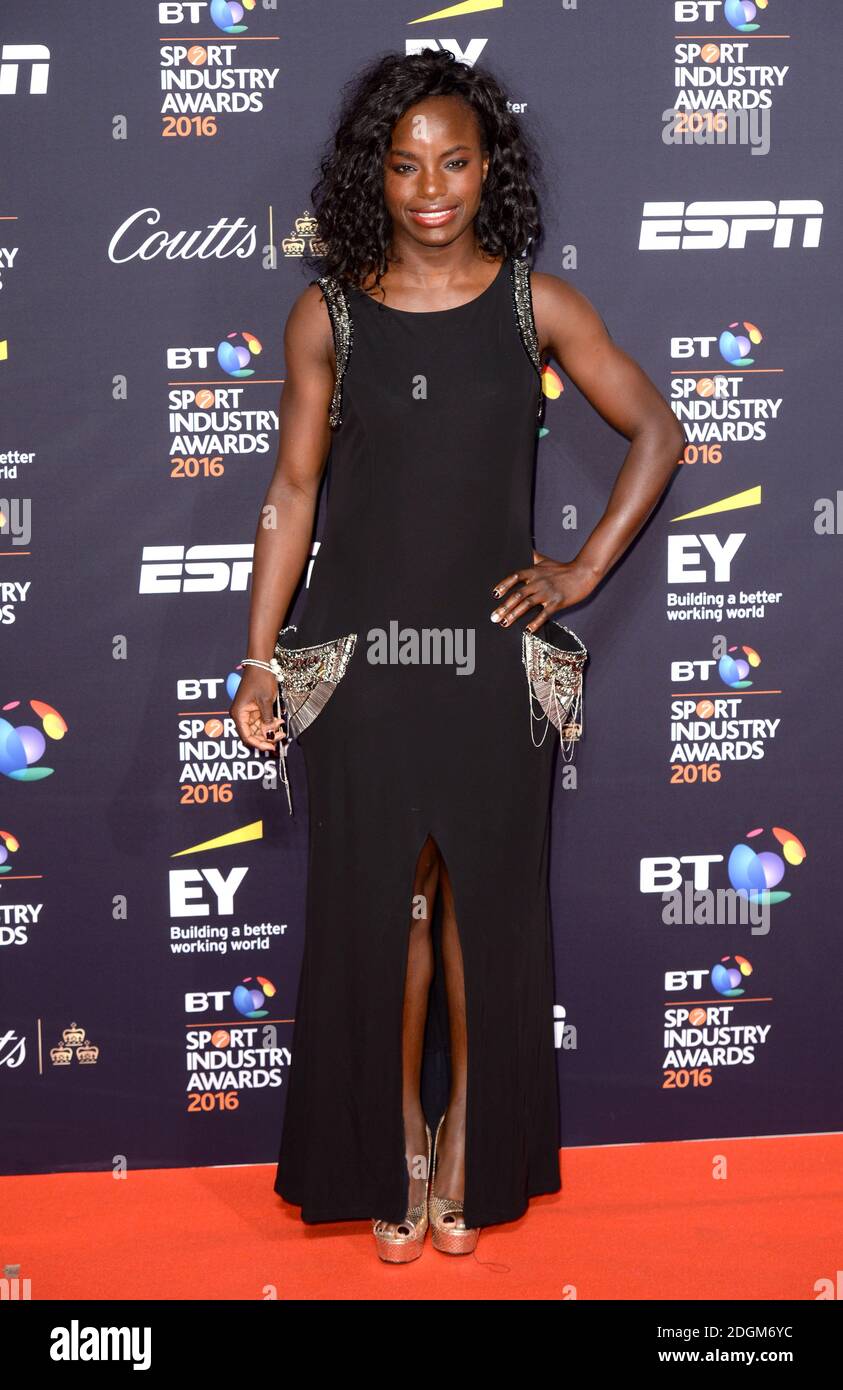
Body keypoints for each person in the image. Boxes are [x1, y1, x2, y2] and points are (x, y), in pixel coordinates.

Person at [231, 49, 684, 1262]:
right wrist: (262, 657)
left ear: (491, 170)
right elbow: (291, 487)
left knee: (483, 919)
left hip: (492, 667)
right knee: (391, 919)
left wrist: (580, 570)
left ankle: (471, 1150)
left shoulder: (539, 305)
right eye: (405, 162)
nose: (432, 186)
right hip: (364, 665)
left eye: (456, 161)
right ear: (372, 174)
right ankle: (397, 1153)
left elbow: (659, 430)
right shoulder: (325, 314)